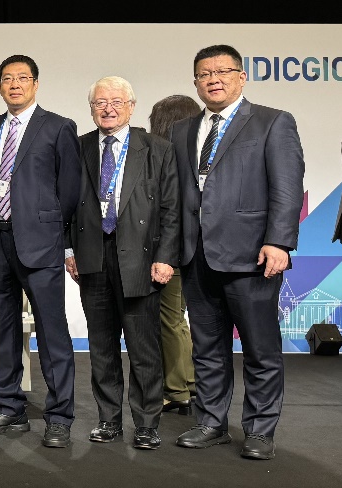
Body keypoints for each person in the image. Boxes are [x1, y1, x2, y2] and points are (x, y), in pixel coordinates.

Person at [171, 44, 303, 460]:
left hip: (252, 256)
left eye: (223, 71)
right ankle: (211, 423)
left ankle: (260, 431)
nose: (213, 79)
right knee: (207, 349)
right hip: (196, 255)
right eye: (204, 74)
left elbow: (287, 188)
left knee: (260, 349)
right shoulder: (182, 130)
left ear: (242, 77)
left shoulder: (272, 122)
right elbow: (178, 195)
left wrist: (279, 241)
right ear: (195, 82)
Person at [64, 76, 180, 450]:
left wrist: (166, 257)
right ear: (91, 109)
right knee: (101, 347)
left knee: (143, 348)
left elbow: (172, 209)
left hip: (142, 259)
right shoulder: (78, 147)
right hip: (92, 257)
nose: (108, 109)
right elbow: (64, 204)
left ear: (131, 106)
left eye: (116, 102)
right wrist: (68, 251)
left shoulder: (157, 148)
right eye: (100, 102)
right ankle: (108, 419)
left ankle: (146, 423)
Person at [0, 54, 82, 448]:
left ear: (35, 84)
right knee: (1, 330)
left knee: (52, 331)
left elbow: (69, 190)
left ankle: (59, 417)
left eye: (22, 78)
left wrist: (53, 233)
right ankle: (8, 408)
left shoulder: (58, 127)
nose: (14, 84)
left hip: (40, 243)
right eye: (7, 79)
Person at [148, 94, 202, 416]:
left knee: (167, 320)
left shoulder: (163, 156)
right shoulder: (194, 157)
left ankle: (175, 390)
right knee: (177, 319)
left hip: (167, 251)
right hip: (189, 249)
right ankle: (191, 383)